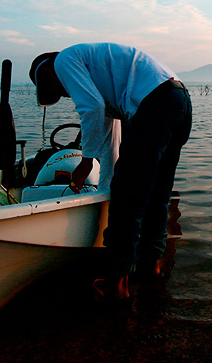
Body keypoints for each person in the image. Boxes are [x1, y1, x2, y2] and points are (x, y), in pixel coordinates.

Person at [28, 43, 192, 301]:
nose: (68, 95)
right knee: (157, 192)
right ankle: (151, 267)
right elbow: (103, 122)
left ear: (48, 74)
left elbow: (91, 109)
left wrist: (86, 162)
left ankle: (116, 284)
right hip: (179, 100)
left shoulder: (63, 61)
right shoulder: (96, 68)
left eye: (60, 91)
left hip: (155, 105)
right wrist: (101, 169)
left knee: (127, 196)